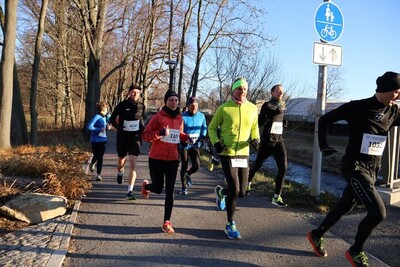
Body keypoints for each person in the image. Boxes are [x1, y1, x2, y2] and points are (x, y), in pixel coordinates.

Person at [307, 71, 400, 267]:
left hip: (372, 169)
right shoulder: (357, 107)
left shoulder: (393, 112)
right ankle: (356, 250)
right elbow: (324, 120)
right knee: (378, 213)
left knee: (345, 206)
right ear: (385, 90)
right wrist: (323, 145)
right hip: (355, 166)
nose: (398, 96)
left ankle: (317, 234)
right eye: (396, 92)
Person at [208, 77, 260, 240]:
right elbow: (212, 128)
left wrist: (256, 139)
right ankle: (230, 223)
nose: (242, 91)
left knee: (243, 192)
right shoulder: (224, 108)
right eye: (239, 88)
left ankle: (222, 192)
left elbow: (254, 127)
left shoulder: (252, 108)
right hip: (227, 152)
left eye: (245, 89)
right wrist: (216, 143)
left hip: (243, 153)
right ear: (233, 90)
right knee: (235, 188)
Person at [141, 90, 191, 234]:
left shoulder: (180, 119)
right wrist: (160, 133)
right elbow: (145, 135)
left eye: (176, 100)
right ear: (166, 102)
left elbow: (178, 134)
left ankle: (166, 222)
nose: (174, 103)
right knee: (158, 188)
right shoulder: (158, 117)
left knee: (170, 191)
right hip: (156, 157)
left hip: (173, 159)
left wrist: (186, 137)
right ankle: (147, 186)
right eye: (171, 100)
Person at [247, 84, 288, 207]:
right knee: (258, 164)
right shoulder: (267, 105)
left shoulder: (282, 104)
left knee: (283, 168)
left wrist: (283, 122)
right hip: (268, 141)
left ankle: (276, 197)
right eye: (278, 91)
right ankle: (247, 182)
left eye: (282, 91)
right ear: (272, 93)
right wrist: (272, 115)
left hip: (279, 141)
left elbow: (278, 121)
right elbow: (260, 123)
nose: (280, 93)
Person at [109, 85, 146, 200]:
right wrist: (118, 128)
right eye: (133, 92)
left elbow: (142, 121)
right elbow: (111, 118)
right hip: (123, 137)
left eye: (137, 93)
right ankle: (120, 172)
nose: (135, 94)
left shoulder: (142, 106)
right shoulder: (122, 105)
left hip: (135, 138)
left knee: (133, 163)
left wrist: (143, 131)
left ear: (139, 94)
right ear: (129, 93)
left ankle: (129, 191)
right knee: (121, 160)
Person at [179, 96, 208, 195]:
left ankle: (188, 174)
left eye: (196, 106)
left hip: (195, 144)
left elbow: (204, 127)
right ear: (188, 106)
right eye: (192, 106)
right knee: (184, 165)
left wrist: (202, 136)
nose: (194, 108)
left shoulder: (201, 116)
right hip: (185, 145)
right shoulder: (183, 116)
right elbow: (180, 130)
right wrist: (184, 138)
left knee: (196, 166)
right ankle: (184, 187)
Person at [87, 101, 111, 181]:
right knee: (96, 155)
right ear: (103, 109)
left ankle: (98, 174)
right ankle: (92, 163)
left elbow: (111, 122)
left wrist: (108, 127)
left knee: (100, 157)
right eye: (106, 108)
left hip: (103, 140)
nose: (107, 110)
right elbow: (89, 126)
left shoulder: (106, 117)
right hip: (95, 140)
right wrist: (98, 129)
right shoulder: (97, 117)